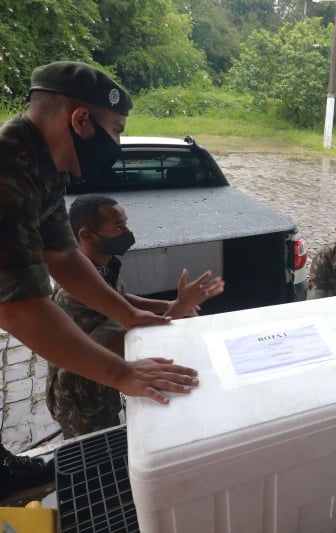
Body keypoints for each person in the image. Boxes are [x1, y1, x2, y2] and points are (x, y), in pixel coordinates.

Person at [0, 61, 199, 499]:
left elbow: (65, 257)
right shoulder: (7, 164)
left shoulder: (39, 163)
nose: (118, 143)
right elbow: (19, 307)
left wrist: (127, 314)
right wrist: (121, 373)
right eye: (116, 130)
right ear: (81, 120)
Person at [47, 194, 224, 438]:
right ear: (87, 235)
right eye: (118, 227)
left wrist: (167, 304)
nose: (127, 232)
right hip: (82, 396)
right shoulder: (76, 291)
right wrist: (179, 309)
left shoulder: (101, 266)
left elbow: (119, 298)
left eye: (126, 223)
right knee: (96, 451)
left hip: (107, 378)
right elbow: (120, 347)